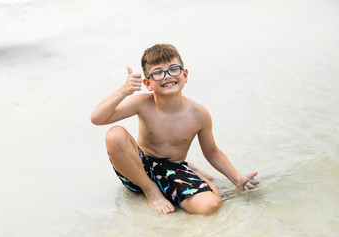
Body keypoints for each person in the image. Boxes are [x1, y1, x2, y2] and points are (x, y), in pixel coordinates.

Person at [91, 44, 259, 215]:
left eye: (173, 69)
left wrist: (237, 178)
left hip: (173, 169)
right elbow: (98, 118)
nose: (167, 76)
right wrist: (124, 91)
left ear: (185, 75)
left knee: (208, 206)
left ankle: (198, 176)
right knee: (114, 135)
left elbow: (212, 152)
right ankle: (151, 190)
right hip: (138, 169)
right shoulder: (142, 103)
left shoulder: (199, 114)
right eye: (157, 72)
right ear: (147, 83)